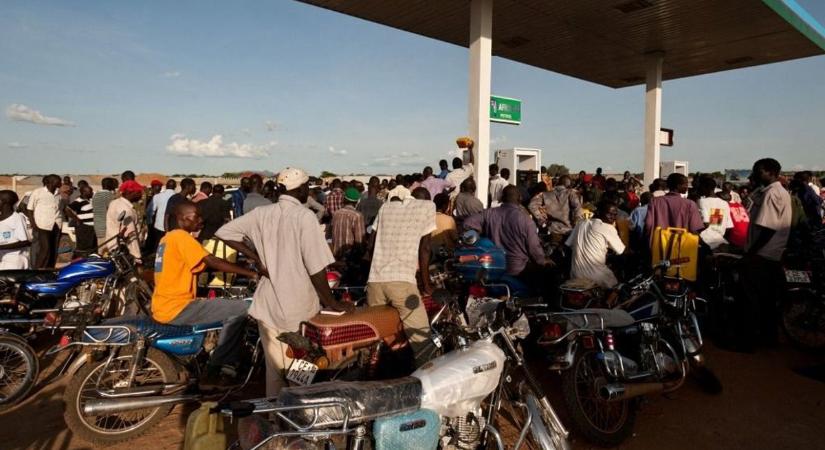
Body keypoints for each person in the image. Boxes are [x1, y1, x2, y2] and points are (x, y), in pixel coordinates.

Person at [216, 167, 352, 396]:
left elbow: (224, 232)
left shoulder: (262, 213)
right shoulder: (304, 216)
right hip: (298, 309)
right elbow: (316, 268)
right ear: (302, 189)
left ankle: (274, 418)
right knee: (301, 371)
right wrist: (332, 303)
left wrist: (256, 259)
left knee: (275, 370)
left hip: (268, 306)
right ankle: (297, 417)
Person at [152, 200, 259, 386]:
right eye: (196, 216)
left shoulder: (167, 239)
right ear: (182, 218)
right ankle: (217, 366)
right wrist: (251, 273)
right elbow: (211, 261)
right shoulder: (182, 237)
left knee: (224, 305)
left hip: (163, 305)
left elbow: (201, 266)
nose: (201, 220)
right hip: (179, 307)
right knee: (242, 308)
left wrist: (240, 266)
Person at [367, 186, 436, 367]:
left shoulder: (386, 207)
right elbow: (426, 248)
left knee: (380, 335)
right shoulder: (427, 207)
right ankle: (426, 383)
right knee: (422, 340)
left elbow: (371, 244)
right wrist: (427, 285)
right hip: (402, 282)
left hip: (375, 280)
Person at [464, 185, 558, 304]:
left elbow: (468, 224)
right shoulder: (526, 220)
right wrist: (543, 261)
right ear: (520, 198)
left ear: (502, 198)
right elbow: (534, 249)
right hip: (517, 271)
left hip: (493, 269)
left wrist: (480, 237)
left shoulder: (488, 214)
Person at [738, 158, 791, 350]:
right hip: (771, 254)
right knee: (767, 300)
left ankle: (751, 341)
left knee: (752, 300)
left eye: (757, 171)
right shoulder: (776, 192)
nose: (755, 174)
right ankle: (768, 339)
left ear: (770, 172)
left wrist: (751, 252)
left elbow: (768, 228)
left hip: (762, 255)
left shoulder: (772, 194)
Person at [566, 200, 627, 288]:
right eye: (609, 214)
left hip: (575, 274)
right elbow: (621, 251)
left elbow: (569, 245)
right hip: (597, 276)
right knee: (618, 288)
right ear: (599, 212)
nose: (613, 217)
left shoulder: (580, 224)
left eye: (615, 214)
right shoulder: (607, 227)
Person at [644, 173, 704, 243]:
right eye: (685, 184)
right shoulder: (690, 204)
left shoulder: (655, 202)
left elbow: (648, 224)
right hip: (682, 247)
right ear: (678, 186)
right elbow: (694, 229)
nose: (687, 187)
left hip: (659, 246)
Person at [529, 175, 583, 239]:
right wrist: (577, 225)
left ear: (558, 183)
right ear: (569, 185)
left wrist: (542, 220)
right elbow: (577, 210)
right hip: (568, 232)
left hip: (551, 230)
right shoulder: (571, 194)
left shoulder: (546, 194)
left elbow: (532, 205)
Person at [26, 174, 62, 268]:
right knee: (45, 249)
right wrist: (33, 224)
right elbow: (29, 209)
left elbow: (60, 209)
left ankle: (49, 270)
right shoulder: (37, 192)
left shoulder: (58, 194)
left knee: (53, 250)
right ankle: (36, 271)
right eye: (58, 181)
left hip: (56, 225)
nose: (60, 182)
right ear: (50, 182)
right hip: (42, 225)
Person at [106, 180, 144, 262]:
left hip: (113, 247)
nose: (141, 195)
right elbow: (130, 237)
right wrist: (137, 256)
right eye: (139, 192)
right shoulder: (126, 210)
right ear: (129, 193)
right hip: (125, 253)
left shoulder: (114, 203)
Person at [697, 175, 733, 249]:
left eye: (700, 186)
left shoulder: (702, 201)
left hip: (705, 241)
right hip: (720, 240)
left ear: (705, 188)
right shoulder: (724, 203)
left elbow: (706, 223)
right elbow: (729, 227)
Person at [0, 190, 32, 269]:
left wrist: (1, 247)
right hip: (2, 259)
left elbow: (25, 242)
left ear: (5, 202)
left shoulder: (17, 218)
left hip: (15, 259)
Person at [331, 187, 365, 258]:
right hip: (349, 257)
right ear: (356, 202)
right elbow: (359, 241)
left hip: (335, 254)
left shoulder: (336, 213)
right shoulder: (357, 216)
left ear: (344, 199)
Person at [66, 185, 97, 258]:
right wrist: (76, 219)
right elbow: (67, 209)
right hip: (84, 227)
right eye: (90, 191)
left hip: (92, 227)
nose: (92, 193)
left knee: (92, 247)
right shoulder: (78, 201)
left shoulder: (90, 200)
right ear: (84, 192)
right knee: (83, 247)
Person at [92, 177, 118, 242]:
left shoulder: (96, 195)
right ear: (110, 185)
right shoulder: (109, 196)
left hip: (98, 226)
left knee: (101, 248)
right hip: (107, 228)